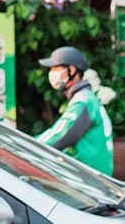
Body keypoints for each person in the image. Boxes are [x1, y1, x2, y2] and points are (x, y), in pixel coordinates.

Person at [36, 46, 114, 176]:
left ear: (71, 70)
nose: (52, 72)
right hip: (90, 176)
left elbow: (59, 136)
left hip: (89, 180)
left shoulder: (83, 101)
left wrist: (27, 147)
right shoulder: (85, 98)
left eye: (56, 68)